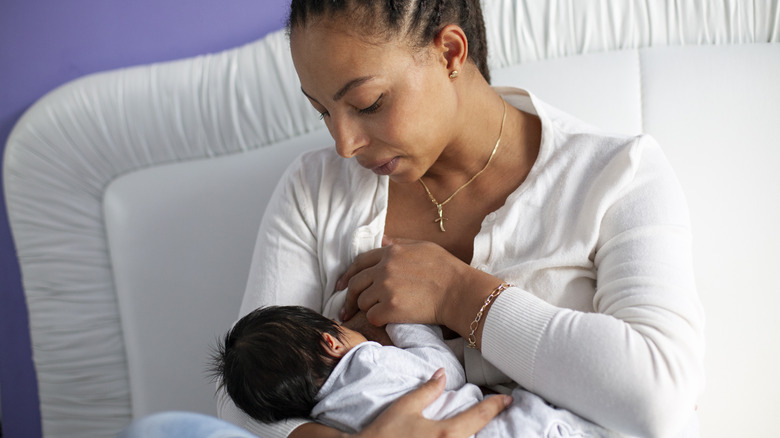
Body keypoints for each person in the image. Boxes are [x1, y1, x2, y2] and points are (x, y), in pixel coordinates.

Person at [217, 0, 706, 437]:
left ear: (450, 52)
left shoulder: (617, 175)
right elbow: (237, 403)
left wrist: (456, 294)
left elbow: (658, 399)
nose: (344, 144)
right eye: (322, 111)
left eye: (367, 103)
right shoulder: (314, 190)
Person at [212, 305, 618, 437]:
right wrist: (402, 319)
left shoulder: (329, 420)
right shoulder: (366, 361)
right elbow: (446, 375)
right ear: (331, 341)